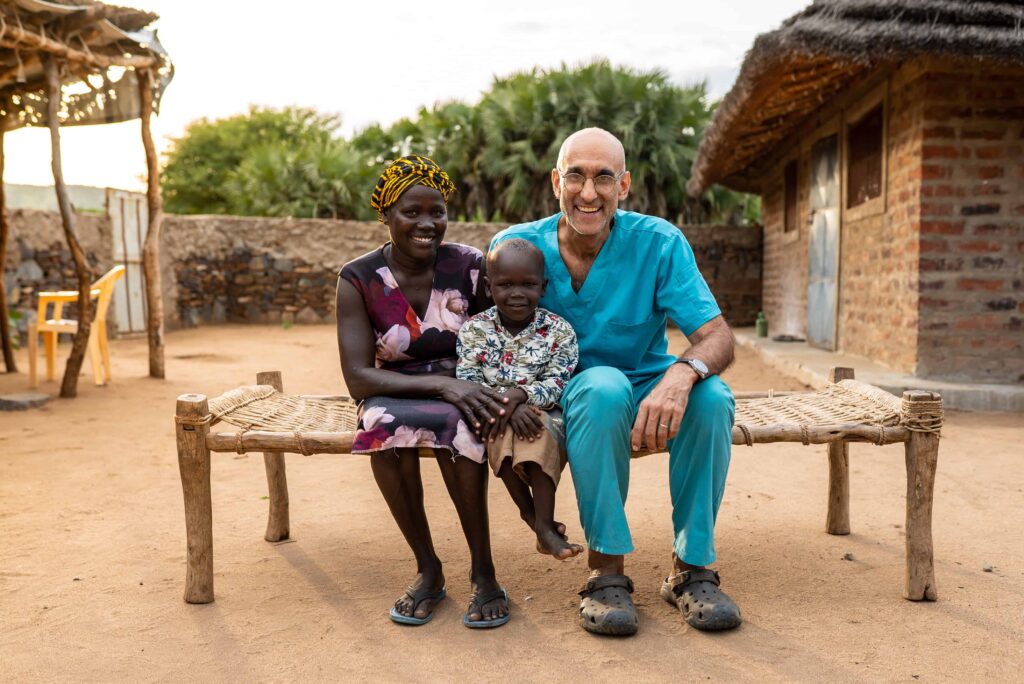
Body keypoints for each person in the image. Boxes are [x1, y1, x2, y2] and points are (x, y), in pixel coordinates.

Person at [491, 128, 741, 636]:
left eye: (603, 177)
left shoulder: (659, 242)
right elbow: (487, 337)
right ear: (555, 181)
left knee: (712, 396)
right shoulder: (517, 248)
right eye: (576, 176)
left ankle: (691, 568)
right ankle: (606, 573)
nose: (589, 192)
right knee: (603, 385)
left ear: (623, 186)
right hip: (566, 394)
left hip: (645, 382)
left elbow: (717, 337)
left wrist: (682, 372)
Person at [336, 155, 511, 629]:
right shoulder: (358, 278)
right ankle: (428, 569)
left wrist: (472, 386)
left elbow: (503, 333)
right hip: (397, 386)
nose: (427, 223)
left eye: (437, 211)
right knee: (380, 424)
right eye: (411, 212)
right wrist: (440, 384)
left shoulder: (470, 266)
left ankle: (484, 572)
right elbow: (357, 377)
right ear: (386, 214)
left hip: (466, 383)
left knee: (462, 424)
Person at [456, 238, 584, 561]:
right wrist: (508, 406)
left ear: (542, 287)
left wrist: (521, 397)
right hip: (493, 414)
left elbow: (558, 381)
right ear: (488, 287)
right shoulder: (474, 330)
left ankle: (541, 521)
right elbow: (468, 381)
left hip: (542, 412)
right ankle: (535, 520)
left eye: (528, 284)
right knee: (499, 431)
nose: (516, 293)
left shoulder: (559, 331)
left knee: (535, 432)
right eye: (505, 284)